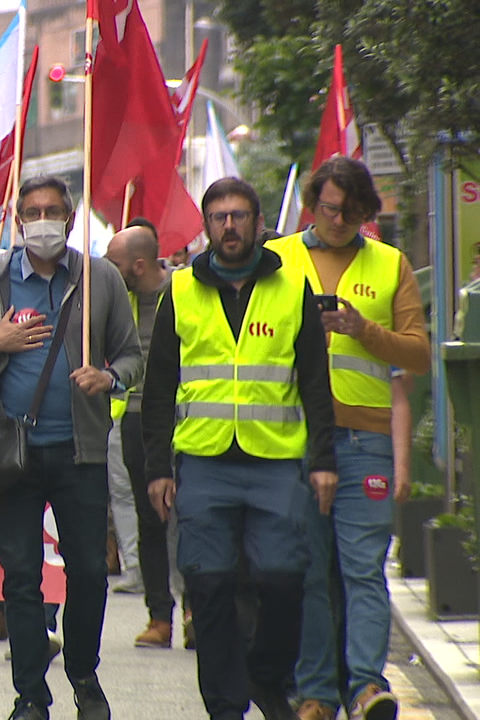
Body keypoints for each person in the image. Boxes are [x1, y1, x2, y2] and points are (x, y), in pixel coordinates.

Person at [0, 174, 143, 720]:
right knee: (21, 577)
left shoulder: (101, 280)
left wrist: (110, 377)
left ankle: (85, 678)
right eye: (33, 211)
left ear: (70, 219)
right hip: (10, 450)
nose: (43, 219)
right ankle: (30, 694)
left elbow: (132, 355)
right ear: (18, 220)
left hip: (80, 451)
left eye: (53, 210)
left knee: (89, 571)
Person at [142, 178, 338, 720]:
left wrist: (323, 461)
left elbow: (315, 384)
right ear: (206, 227)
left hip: (275, 463)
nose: (229, 226)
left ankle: (265, 676)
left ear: (256, 223)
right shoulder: (180, 291)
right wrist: (158, 468)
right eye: (219, 217)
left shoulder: (291, 284)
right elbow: (158, 387)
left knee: (283, 579)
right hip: (204, 463)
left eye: (240, 216)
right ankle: (226, 704)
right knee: (208, 585)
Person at [266, 157, 429, 720]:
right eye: (329, 208)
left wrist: (365, 330)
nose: (338, 220)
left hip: (366, 443)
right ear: (313, 202)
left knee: (363, 569)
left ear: (366, 212)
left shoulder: (391, 264)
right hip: (295, 439)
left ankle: (364, 685)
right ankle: (315, 691)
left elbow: (419, 354)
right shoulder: (279, 259)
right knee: (310, 568)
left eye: (351, 212)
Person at [104, 224, 188, 644]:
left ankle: (195, 612)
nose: (109, 271)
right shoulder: (117, 300)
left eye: (115, 264)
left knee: (191, 518)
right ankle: (160, 617)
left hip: (188, 418)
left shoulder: (187, 290)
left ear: (139, 264)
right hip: (137, 419)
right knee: (150, 518)